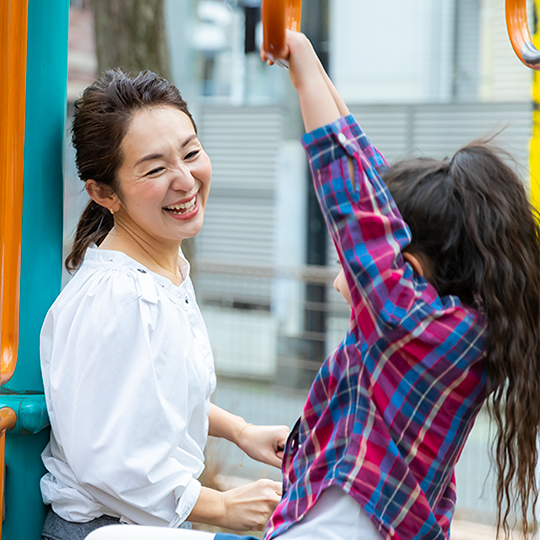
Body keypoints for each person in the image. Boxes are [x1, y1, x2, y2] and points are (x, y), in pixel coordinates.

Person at [260, 31, 540, 540]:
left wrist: (300, 63)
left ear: (406, 266)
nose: (351, 260)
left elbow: (352, 197)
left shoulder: (407, 322)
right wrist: (310, 64)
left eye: (366, 257)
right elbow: (367, 177)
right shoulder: (460, 327)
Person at [40, 69, 289, 540]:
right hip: (103, 529)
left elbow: (154, 399)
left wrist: (240, 431)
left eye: (191, 152)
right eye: (155, 169)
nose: (185, 180)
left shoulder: (158, 274)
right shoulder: (119, 296)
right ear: (103, 193)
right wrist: (222, 506)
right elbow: (109, 460)